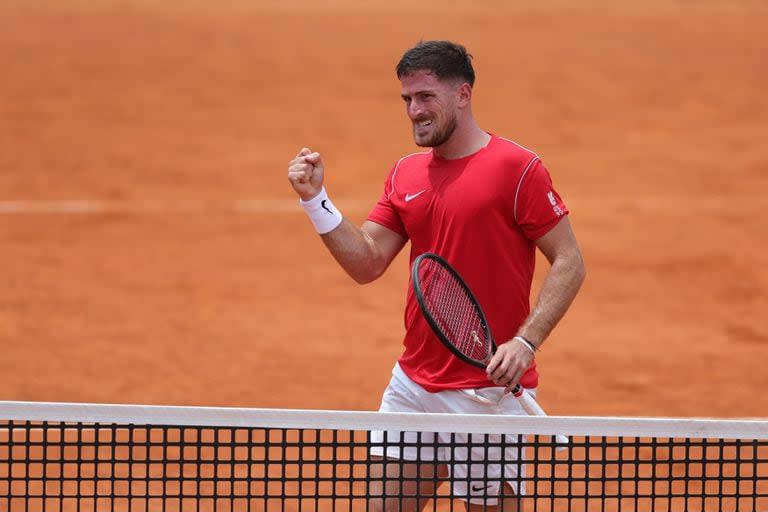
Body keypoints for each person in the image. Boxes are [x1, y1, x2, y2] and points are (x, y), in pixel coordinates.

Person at [287, 40, 586, 512]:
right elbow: (366, 262)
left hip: (487, 395)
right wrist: (315, 201)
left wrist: (525, 343)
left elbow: (569, 260)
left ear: (463, 95)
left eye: (426, 96)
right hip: (414, 387)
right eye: (407, 99)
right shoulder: (406, 174)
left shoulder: (517, 168)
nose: (414, 110)